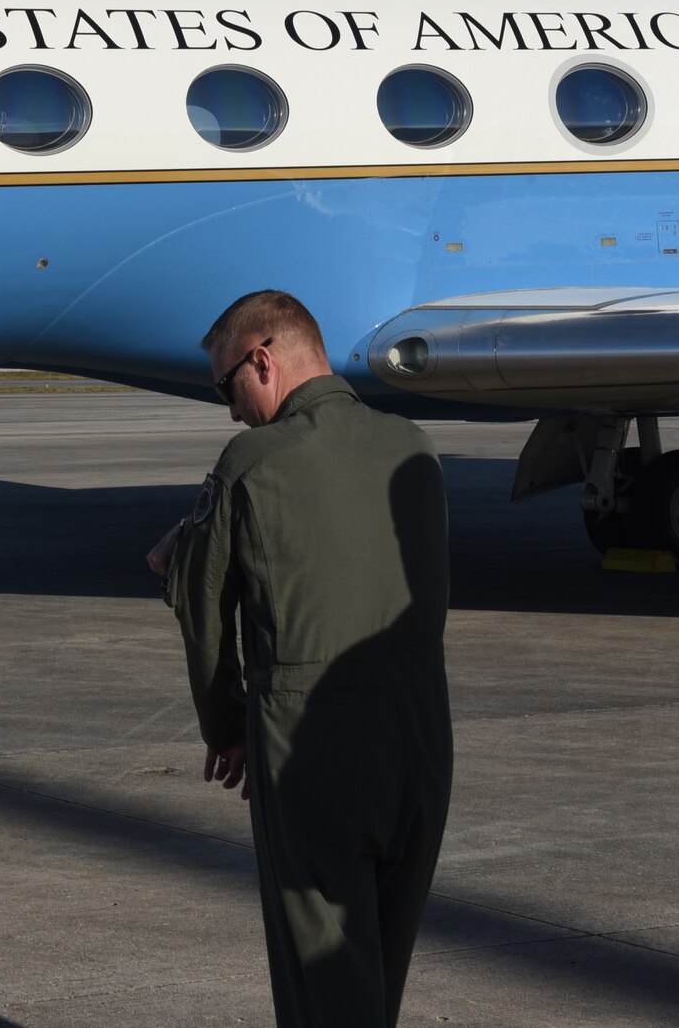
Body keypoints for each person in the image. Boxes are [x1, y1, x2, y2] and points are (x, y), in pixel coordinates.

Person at [147, 290, 452, 1028]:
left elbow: (201, 601)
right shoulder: (413, 446)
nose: (230, 410)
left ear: (263, 358)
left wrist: (227, 725)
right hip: (421, 742)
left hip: (316, 750)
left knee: (326, 993)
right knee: (379, 976)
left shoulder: (254, 459)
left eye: (228, 387)